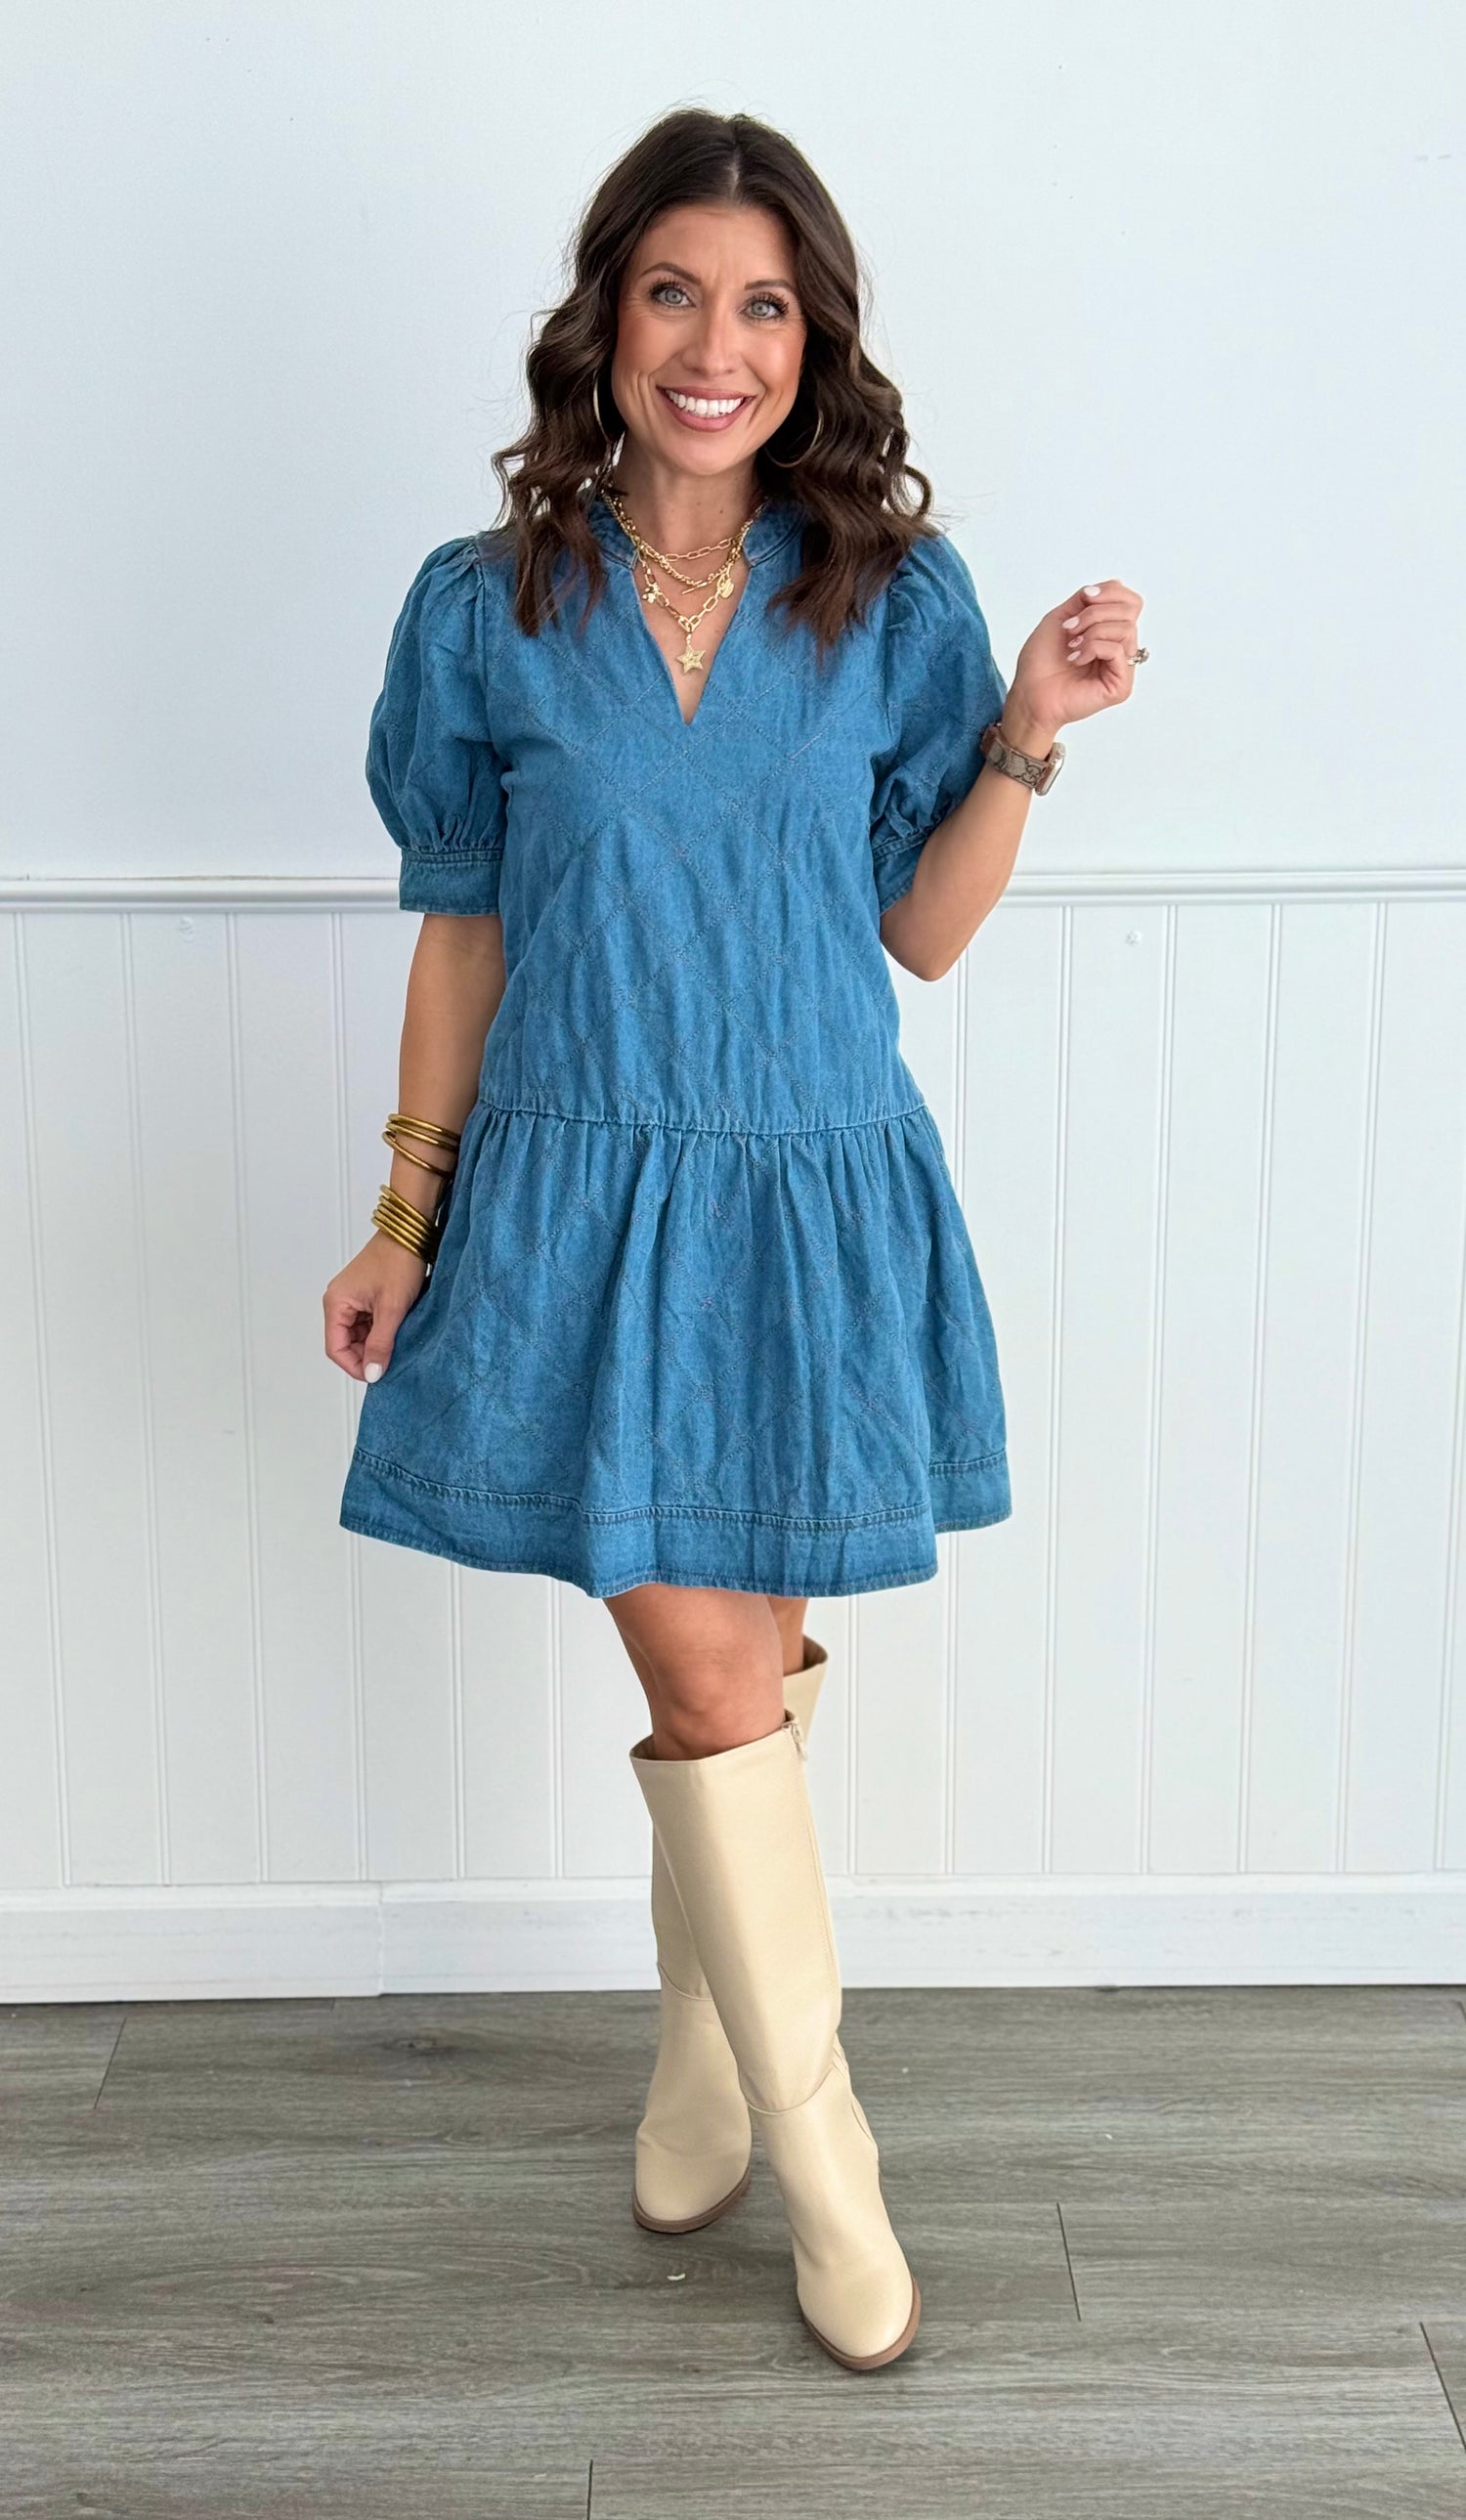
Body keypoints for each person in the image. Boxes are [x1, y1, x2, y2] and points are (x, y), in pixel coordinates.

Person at [323, 106, 1144, 2371]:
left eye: (764, 304)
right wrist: (405, 1206)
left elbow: (923, 933)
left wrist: (1027, 733)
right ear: (606, 319)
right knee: (709, 1681)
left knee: (743, 1688)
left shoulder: (893, 595)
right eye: (674, 292)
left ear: (814, 339)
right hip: (580, 1206)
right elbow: (464, 936)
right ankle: (831, 2158)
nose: (717, 344)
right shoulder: (484, 606)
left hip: (812, 1189)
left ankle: (701, 2063)